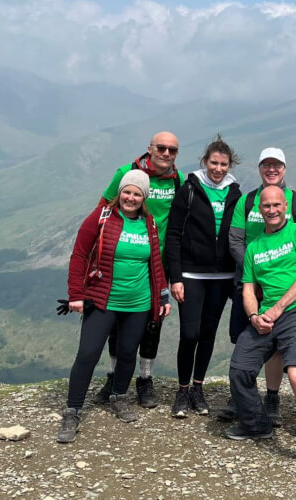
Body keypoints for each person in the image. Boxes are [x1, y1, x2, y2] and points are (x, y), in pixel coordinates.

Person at [57, 170, 171, 443]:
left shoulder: (149, 223)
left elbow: (155, 263)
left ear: (144, 198)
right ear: (119, 193)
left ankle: (119, 396)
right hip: (102, 299)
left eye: (137, 193)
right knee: (88, 353)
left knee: (128, 352)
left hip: (139, 302)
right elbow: (80, 255)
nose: (131, 197)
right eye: (127, 191)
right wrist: (75, 294)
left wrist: (162, 298)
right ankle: (72, 410)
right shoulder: (100, 217)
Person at [226, 185, 296, 475]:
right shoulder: (254, 246)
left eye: (276, 205)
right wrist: (254, 315)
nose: (271, 210)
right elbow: (247, 289)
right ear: (259, 209)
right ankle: (257, 425)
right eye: (266, 206)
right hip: (266, 314)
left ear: (285, 206)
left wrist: (279, 307)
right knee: (240, 369)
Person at [219, 147, 296, 424]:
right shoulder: (247, 201)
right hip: (248, 282)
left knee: (275, 344)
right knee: (244, 338)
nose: (272, 170)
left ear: (284, 168)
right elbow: (235, 240)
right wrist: (255, 272)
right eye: (266, 165)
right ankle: (242, 398)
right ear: (259, 168)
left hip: (282, 288)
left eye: (277, 165)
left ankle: (272, 398)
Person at [93, 131, 185, 409]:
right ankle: (112, 376)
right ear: (150, 148)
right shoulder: (126, 173)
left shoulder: (177, 180)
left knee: (152, 323)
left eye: (172, 150)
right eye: (161, 148)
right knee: (117, 324)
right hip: (123, 261)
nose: (166, 153)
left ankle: (145, 379)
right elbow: (102, 210)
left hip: (159, 265)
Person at [165, 135, 242, 418]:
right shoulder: (189, 190)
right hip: (190, 273)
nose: (218, 168)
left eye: (223, 164)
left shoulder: (236, 192)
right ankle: (182, 389)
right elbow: (173, 235)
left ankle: (198, 388)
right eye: (214, 163)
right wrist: (175, 277)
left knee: (208, 334)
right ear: (204, 161)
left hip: (222, 276)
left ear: (229, 164)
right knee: (189, 334)